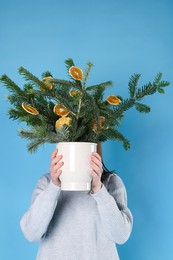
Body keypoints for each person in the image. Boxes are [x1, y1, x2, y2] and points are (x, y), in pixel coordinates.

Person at [20, 143, 133, 260]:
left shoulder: (111, 182)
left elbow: (121, 235)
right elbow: (31, 233)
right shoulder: (46, 183)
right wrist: (53, 186)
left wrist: (99, 189)